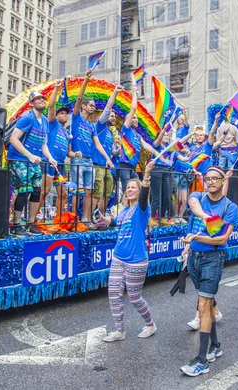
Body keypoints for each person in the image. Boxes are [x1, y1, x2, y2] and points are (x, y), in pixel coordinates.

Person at [179, 166, 238, 377]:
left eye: (215, 179)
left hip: (213, 258)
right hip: (194, 258)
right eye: (208, 178)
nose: (211, 182)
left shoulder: (230, 207)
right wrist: (206, 218)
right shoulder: (198, 196)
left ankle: (202, 360)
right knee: (208, 303)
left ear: (224, 182)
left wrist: (196, 237)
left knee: (204, 304)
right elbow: (193, 204)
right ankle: (215, 345)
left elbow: (222, 238)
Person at [95, 160, 157, 342]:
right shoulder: (124, 210)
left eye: (133, 188)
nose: (129, 190)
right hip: (118, 258)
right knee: (113, 294)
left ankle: (150, 324)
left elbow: (145, 195)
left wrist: (146, 175)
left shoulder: (142, 208)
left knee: (134, 298)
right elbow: (115, 223)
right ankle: (120, 331)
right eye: (128, 187)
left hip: (136, 260)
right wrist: (103, 219)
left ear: (139, 190)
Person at [7, 91, 58, 236]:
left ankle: (30, 224)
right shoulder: (26, 118)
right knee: (24, 191)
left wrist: (50, 157)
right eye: (37, 99)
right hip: (20, 160)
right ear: (31, 103)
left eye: (43, 98)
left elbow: (43, 144)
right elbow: (13, 139)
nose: (41, 100)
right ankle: (16, 225)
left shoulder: (46, 121)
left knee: (36, 192)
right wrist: (29, 155)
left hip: (35, 162)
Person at [38, 80, 77, 221]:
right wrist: (56, 88)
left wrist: (76, 154)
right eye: (61, 113)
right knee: (45, 192)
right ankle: (34, 219)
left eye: (66, 114)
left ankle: (59, 220)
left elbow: (69, 153)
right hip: (49, 162)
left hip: (61, 165)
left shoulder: (67, 133)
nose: (64, 115)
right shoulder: (53, 124)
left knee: (63, 195)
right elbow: (51, 107)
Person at [70, 69, 97, 228]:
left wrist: (107, 159)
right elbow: (79, 98)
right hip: (77, 160)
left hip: (89, 161)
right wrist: (86, 79)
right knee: (77, 191)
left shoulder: (91, 125)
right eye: (91, 105)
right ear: (84, 106)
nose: (93, 107)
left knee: (88, 191)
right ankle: (74, 219)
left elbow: (97, 144)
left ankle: (85, 219)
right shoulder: (76, 118)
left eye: (94, 105)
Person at [91, 85, 123, 218]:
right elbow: (108, 108)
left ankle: (101, 217)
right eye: (112, 115)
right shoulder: (100, 126)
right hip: (96, 165)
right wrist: (115, 92)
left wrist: (117, 152)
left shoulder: (110, 133)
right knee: (97, 193)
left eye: (115, 116)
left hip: (107, 167)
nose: (114, 117)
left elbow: (110, 151)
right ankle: (89, 218)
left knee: (107, 193)